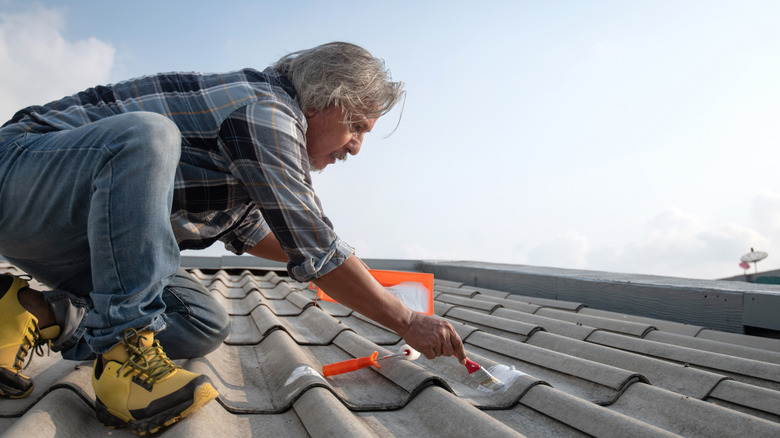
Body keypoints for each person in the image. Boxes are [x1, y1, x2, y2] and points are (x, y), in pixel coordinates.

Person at [0, 41, 467, 433]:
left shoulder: (246, 161)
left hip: (78, 238)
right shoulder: (267, 110)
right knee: (147, 136)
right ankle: (125, 354)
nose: (356, 146)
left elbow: (269, 235)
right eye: (358, 126)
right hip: (20, 177)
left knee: (202, 320)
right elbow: (314, 246)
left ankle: (35, 312)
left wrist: (355, 274)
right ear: (329, 99)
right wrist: (407, 321)